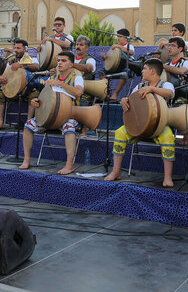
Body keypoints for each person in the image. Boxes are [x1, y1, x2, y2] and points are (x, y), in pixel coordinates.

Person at [104, 58, 176, 187]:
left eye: (144, 69)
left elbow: (170, 94)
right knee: (120, 132)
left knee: (168, 136)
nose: (142, 71)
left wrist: (152, 89)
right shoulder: (139, 86)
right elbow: (132, 100)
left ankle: (168, 177)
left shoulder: (166, 84)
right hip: (139, 126)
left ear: (153, 71)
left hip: (159, 127)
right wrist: (125, 101)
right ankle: (116, 172)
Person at [21, 51, 84, 174]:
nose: (59, 63)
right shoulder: (52, 78)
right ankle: (26, 159)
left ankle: (69, 165)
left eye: (63, 61)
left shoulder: (77, 77)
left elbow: (78, 93)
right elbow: (45, 97)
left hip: (69, 115)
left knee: (69, 127)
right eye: (59, 60)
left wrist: (59, 83)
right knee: (28, 125)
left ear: (71, 64)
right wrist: (36, 101)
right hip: (50, 116)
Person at [0, 39, 40, 131]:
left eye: (18, 48)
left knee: (35, 95)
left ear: (25, 49)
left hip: (26, 91)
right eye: (14, 48)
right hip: (12, 90)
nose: (16, 50)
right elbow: (5, 75)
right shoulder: (10, 61)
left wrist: (22, 65)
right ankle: (0, 122)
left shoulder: (31, 59)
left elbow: (36, 67)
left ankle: (28, 123)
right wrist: (1, 78)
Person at [73, 35, 97, 136]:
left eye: (81, 45)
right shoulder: (70, 59)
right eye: (77, 44)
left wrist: (72, 65)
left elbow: (89, 68)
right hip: (70, 90)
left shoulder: (90, 59)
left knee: (82, 99)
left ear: (87, 48)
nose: (78, 46)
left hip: (85, 91)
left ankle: (83, 131)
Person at [102, 28, 135, 100]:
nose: (118, 38)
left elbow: (132, 52)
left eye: (120, 36)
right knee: (101, 71)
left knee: (125, 73)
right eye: (118, 37)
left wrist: (118, 46)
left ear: (126, 38)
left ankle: (115, 94)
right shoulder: (115, 47)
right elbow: (110, 59)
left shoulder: (128, 46)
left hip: (125, 67)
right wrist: (104, 57)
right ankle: (105, 93)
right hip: (116, 67)